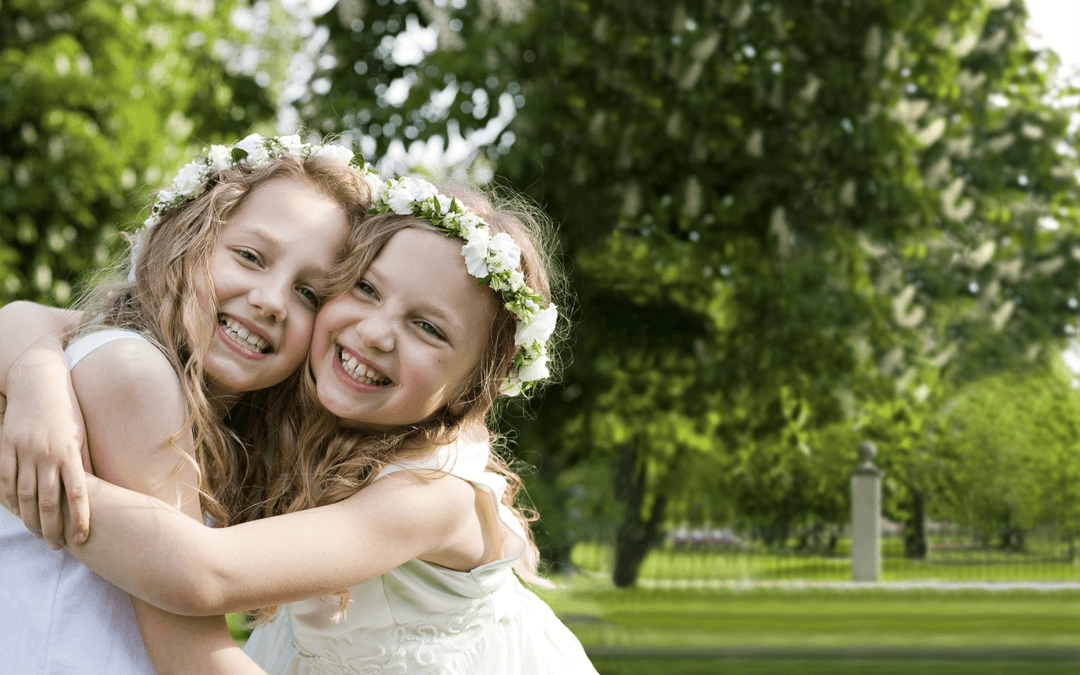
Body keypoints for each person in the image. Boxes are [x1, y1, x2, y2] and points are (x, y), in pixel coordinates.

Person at [5, 170, 598, 673]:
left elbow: (200, 573)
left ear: (473, 387)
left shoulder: (431, 494)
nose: (374, 332)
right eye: (364, 289)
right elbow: (35, 317)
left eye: (429, 327)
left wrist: (31, 474)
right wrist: (33, 373)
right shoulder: (268, 412)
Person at [0, 133, 371, 674]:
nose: (270, 301)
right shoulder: (135, 374)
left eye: (309, 293)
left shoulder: (123, 365)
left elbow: (28, 315)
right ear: (184, 241)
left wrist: (33, 372)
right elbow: (189, 655)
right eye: (249, 257)